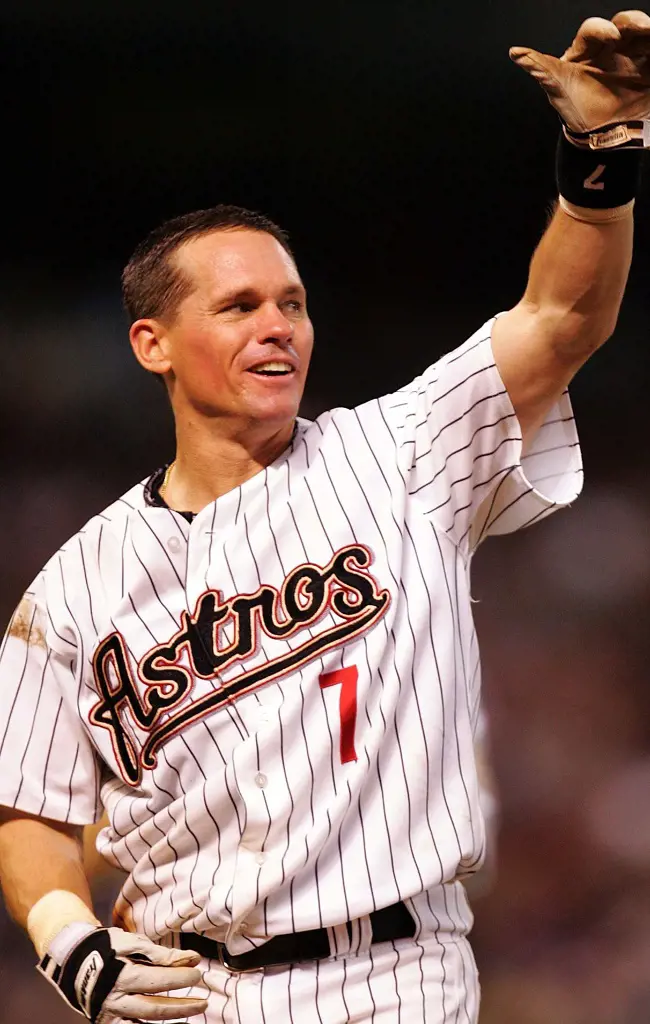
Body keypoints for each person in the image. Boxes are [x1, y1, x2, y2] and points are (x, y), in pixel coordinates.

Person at [0, 11, 648, 1023]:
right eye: (240, 305)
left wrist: (598, 161)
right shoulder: (73, 585)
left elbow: (562, 318)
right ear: (150, 343)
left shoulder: (401, 449)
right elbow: (29, 804)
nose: (277, 326)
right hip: (182, 990)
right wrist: (67, 940)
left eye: (292, 303)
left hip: (394, 975)